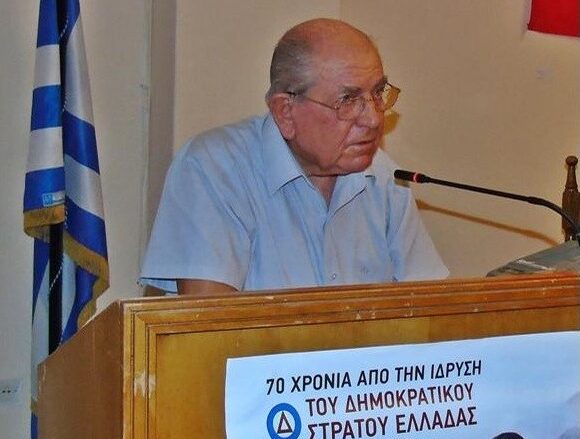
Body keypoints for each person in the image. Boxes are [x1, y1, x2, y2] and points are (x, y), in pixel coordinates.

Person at [140, 18, 448, 296]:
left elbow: (434, 312)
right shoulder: (215, 167)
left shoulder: (384, 177)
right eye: (348, 100)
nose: (373, 119)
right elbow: (207, 326)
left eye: (378, 93)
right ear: (285, 112)